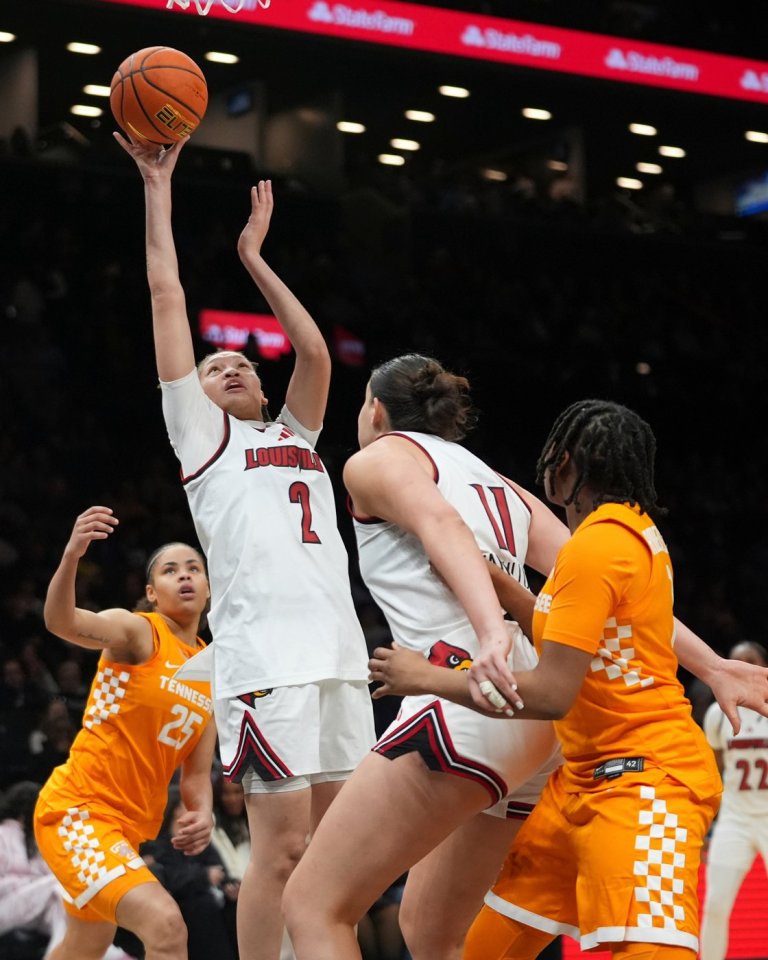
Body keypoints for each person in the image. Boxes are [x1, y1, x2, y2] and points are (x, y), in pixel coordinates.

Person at [114, 132, 375, 960]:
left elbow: (313, 351)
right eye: (213, 364)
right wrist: (160, 189)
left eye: (238, 364)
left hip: (338, 657)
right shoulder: (201, 440)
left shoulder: (297, 432)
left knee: (345, 866)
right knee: (283, 854)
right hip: (266, 664)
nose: (225, 367)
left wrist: (254, 258)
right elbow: (165, 296)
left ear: (261, 388)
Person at [370, 397, 724, 958]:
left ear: (563, 468)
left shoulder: (596, 549)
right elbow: (563, 632)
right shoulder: (623, 533)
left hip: (646, 783)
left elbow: (551, 693)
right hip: (579, 785)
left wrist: (429, 677)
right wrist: (487, 575)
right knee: (484, 948)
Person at [283, 353, 571, 960]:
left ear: (374, 409)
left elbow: (442, 523)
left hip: (464, 693)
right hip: (535, 726)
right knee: (433, 934)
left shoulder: (376, 459)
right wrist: (711, 664)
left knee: (313, 907)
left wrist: (491, 632)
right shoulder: (497, 482)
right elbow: (592, 580)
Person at [33, 505, 217, 960]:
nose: (185, 576)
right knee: (167, 928)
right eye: (171, 571)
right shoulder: (139, 633)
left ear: (210, 588)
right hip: (77, 813)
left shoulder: (212, 668)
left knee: (85, 945)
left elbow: (194, 772)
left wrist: (202, 812)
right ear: (152, 593)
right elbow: (61, 622)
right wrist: (73, 555)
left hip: (127, 831)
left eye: (194, 568)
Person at [700, 640, 768, 960]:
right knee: (715, 905)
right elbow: (713, 766)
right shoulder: (717, 712)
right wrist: (706, 821)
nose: (743, 667)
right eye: (736, 661)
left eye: (750, 661)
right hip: (735, 819)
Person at [0, 780, 66, 959]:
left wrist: (37, 886)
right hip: (5, 906)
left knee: (68, 899)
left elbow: (49, 877)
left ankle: (74, 952)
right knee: (59, 886)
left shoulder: (36, 841)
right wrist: (29, 884)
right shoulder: (2, 835)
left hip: (37, 907)